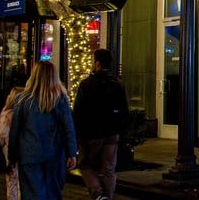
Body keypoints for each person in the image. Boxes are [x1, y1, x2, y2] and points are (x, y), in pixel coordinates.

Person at [7, 61, 77, 200]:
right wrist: (72, 153)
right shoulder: (60, 99)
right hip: (54, 154)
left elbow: (15, 130)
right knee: (52, 193)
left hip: (29, 154)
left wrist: (11, 156)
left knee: (32, 193)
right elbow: (69, 128)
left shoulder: (23, 99)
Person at [73, 49, 130, 200]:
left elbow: (79, 112)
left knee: (84, 163)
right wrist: (122, 132)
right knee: (109, 168)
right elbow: (124, 111)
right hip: (113, 133)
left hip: (93, 133)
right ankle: (108, 197)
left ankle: (97, 193)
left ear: (97, 64)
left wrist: (78, 135)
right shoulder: (117, 84)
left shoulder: (87, 85)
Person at [0, 86, 23, 200]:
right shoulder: (26, 114)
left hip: (9, 152)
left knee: (12, 182)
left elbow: (1, 136)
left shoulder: (6, 114)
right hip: (24, 152)